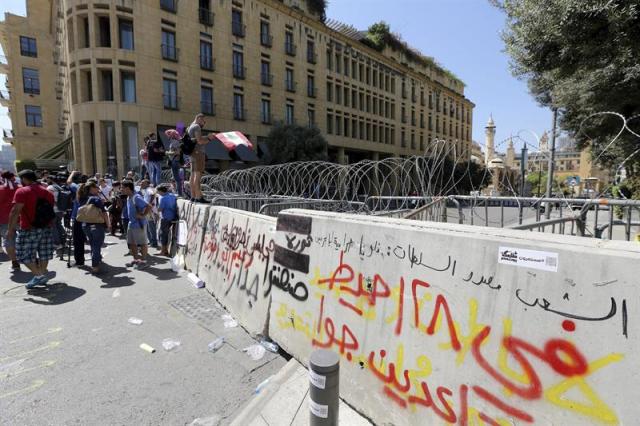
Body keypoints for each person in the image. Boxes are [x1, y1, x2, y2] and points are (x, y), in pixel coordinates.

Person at [7, 170, 56, 288]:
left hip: (29, 228)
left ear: (24, 179)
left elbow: (15, 211)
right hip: (46, 227)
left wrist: (10, 229)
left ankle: (39, 276)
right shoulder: (48, 192)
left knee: (22, 254)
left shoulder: (22, 191)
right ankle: (40, 275)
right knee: (44, 253)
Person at [79, 181, 110, 274]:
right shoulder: (96, 199)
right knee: (97, 245)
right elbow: (104, 213)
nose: (98, 189)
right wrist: (108, 224)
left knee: (93, 243)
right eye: (96, 187)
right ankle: (95, 266)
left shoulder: (81, 198)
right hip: (96, 225)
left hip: (85, 225)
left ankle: (97, 260)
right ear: (92, 188)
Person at [187, 113, 217, 203]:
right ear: (199, 118)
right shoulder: (197, 127)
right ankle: (199, 197)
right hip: (198, 153)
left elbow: (196, 139)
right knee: (198, 175)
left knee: (192, 175)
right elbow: (200, 141)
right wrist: (209, 138)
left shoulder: (190, 127)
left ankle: (193, 196)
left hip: (192, 153)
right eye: (204, 121)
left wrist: (206, 137)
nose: (204, 123)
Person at [122, 180, 151, 269]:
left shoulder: (136, 197)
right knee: (132, 243)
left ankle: (143, 262)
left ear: (127, 188)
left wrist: (142, 215)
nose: (121, 189)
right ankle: (136, 260)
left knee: (142, 243)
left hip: (139, 224)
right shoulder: (129, 197)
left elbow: (148, 206)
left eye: (122, 188)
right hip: (132, 224)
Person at [0, 171, 20, 270]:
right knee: (24, 239)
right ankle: (32, 259)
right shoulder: (20, 189)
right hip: (21, 218)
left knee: (8, 241)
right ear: (13, 177)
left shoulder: (1, 190)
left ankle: (14, 262)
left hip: (4, 220)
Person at [46, 175, 67, 249]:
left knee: (53, 227)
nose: (46, 181)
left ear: (51, 180)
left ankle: (57, 243)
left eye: (47, 179)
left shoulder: (49, 188)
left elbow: (49, 199)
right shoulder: (59, 187)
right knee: (59, 225)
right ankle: (64, 241)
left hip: (53, 210)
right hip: (61, 209)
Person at [156, 185, 178, 256]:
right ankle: (166, 250)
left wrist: (155, 208)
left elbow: (160, 209)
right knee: (167, 235)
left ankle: (163, 251)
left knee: (163, 235)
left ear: (161, 191)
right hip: (173, 217)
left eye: (158, 192)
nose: (158, 193)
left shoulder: (163, 198)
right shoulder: (173, 196)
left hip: (165, 218)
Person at [139, 180, 158, 248]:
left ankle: (154, 242)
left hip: (150, 211)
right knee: (148, 228)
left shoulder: (149, 189)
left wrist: (149, 204)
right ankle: (151, 241)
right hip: (147, 211)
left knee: (151, 227)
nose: (141, 184)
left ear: (147, 184)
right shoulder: (146, 190)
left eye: (142, 183)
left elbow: (152, 195)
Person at [165, 128, 183, 196]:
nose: (167, 136)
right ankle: (178, 192)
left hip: (175, 161)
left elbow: (177, 152)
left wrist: (168, 153)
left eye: (168, 134)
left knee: (177, 178)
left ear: (172, 135)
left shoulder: (175, 142)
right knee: (175, 178)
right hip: (175, 161)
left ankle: (179, 193)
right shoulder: (175, 142)